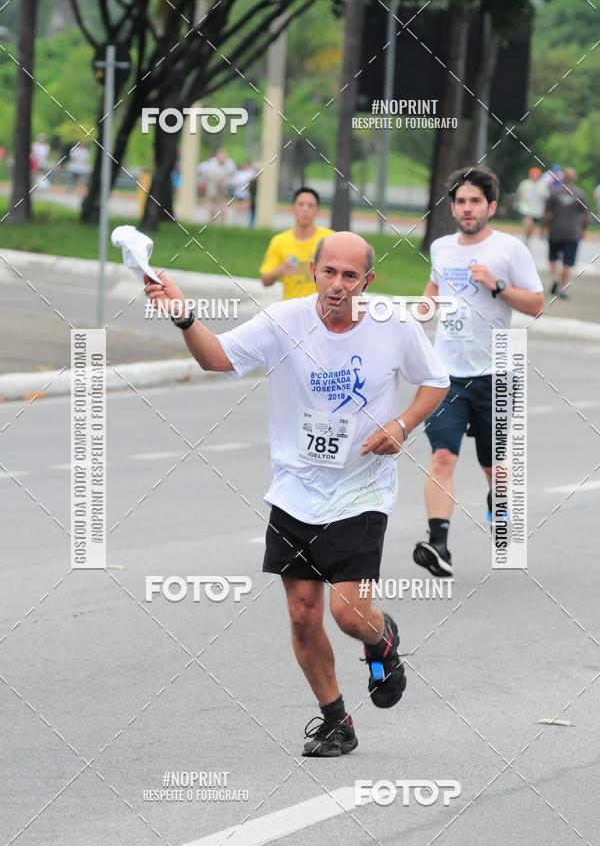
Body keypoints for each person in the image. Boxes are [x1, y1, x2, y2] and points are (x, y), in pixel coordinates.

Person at [144, 231, 450, 757]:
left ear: (367, 281)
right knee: (303, 613)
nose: (337, 284)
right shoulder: (284, 321)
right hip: (295, 489)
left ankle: (381, 643)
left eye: (350, 276)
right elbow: (216, 359)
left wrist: (401, 425)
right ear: (313, 270)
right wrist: (183, 317)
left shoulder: (392, 325)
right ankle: (336, 720)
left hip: (362, 487)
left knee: (349, 615)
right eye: (329, 272)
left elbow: (435, 381)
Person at [413, 166, 544, 578]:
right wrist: (422, 309)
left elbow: (536, 304)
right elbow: (434, 289)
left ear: (491, 205)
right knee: (442, 458)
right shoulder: (441, 248)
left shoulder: (510, 249)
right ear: (452, 208)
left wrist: (497, 286)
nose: (467, 209)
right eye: (460, 202)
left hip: (496, 374)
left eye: (475, 201)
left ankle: (497, 507)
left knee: (495, 469)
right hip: (446, 375)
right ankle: (439, 545)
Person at [260, 187, 333, 300]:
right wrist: (278, 271)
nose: (305, 209)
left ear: (317, 211)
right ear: (293, 208)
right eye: (301, 204)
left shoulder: (329, 239)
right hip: (291, 310)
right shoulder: (279, 241)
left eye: (310, 205)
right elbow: (265, 281)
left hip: (321, 310)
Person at [542, 167, 589, 300]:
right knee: (567, 262)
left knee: (553, 258)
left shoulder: (554, 192)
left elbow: (547, 214)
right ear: (574, 179)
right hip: (572, 233)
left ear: (563, 178)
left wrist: (543, 228)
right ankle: (562, 287)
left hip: (555, 231)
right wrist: (583, 230)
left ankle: (555, 278)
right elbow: (585, 216)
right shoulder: (580, 194)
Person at [202, 148, 236, 224]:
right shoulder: (212, 164)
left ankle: (222, 223)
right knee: (211, 207)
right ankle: (210, 222)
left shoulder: (229, 165)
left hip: (222, 191)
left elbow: (230, 178)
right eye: (220, 156)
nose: (221, 158)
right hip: (213, 190)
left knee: (222, 208)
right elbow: (207, 174)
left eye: (223, 157)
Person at [516, 167, 549, 245]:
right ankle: (526, 240)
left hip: (537, 210)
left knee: (531, 227)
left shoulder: (542, 186)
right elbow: (520, 193)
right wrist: (523, 198)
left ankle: (528, 238)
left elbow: (546, 196)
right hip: (526, 208)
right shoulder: (525, 184)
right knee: (529, 223)